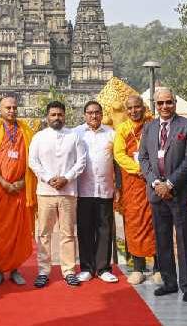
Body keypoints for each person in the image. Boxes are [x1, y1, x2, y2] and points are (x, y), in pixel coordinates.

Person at [139, 87, 187, 301]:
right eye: (160, 103)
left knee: (186, 240)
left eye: (168, 102)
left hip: (179, 192)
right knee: (162, 240)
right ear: (154, 106)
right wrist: (156, 183)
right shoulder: (149, 128)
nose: (165, 107)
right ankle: (169, 282)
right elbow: (143, 159)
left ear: (174, 102)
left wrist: (170, 183)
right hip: (156, 193)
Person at [0, 94, 37, 286]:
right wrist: (2, 182)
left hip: (20, 190)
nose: (12, 111)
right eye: (7, 108)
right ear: (0, 110)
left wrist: (23, 181)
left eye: (14, 107)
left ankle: (14, 269)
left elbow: (32, 159)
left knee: (18, 232)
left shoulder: (26, 131)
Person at [28, 101, 86, 288]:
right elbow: (33, 161)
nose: (56, 118)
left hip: (68, 191)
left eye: (60, 114)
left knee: (68, 232)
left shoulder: (74, 136)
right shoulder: (39, 137)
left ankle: (68, 270)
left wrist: (66, 178)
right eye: (53, 115)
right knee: (44, 233)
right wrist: (48, 178)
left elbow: (81, 161)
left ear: (65, 116)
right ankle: (44, 271)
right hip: (45, 191)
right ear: (47, 117)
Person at [112, 95, 158, 285]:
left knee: (156, 223)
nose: (133, 111)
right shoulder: (123, 129)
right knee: (134, 223)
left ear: (143, 107)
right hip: (133, 182)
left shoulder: (154, 125)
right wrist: (139, 168)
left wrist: (149, 170)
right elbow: (119, 154)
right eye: (129, 108)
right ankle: (138, 268)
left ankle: (158, 267)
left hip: (153, 180)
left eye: (137, 107)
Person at [75, 100, 118, 283]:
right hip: (82, 189)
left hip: (105, 188)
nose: (94, 116)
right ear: (85, 115)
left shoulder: (112, 134)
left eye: (97, 112)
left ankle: (103, 268)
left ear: (102, 114)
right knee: (85, 229)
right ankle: (86, 267)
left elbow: (118, 161)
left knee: (104, 229)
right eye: (90, 112)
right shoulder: (76, 133)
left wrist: (119, 186)